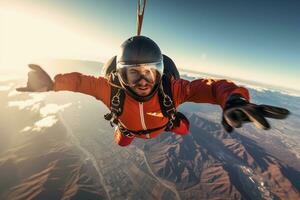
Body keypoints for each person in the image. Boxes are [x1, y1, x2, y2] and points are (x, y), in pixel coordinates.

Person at [17, 36, 290, 147]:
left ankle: (173, 123)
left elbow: (210, 86)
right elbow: (79, 82)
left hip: (163, 124)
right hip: (129, 130)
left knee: (182, 127)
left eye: (149, 72)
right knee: (122, 141)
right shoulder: (109, 88)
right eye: (132, 73)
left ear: (159, 72)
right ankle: (142, 129)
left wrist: (233, 99)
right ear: (119, 75)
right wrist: (53, 84)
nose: (143, 80)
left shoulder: (173, 89)